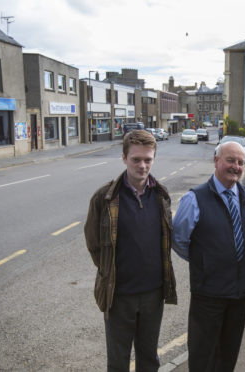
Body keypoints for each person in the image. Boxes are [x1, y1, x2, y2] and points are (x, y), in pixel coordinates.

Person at [84, 129, 177, 372]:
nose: (143, 165)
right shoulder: (103, 198)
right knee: (118, 363)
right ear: (124, 158)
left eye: (148, 159)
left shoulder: (161, 195)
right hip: (119, 296)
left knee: (149, 360)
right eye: (136, 159)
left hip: (153, 295)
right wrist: (112, 273)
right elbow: (94, 245)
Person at [173, 141, 245, 372]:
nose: (235, 166)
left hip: (240, 294)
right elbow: (179, 240)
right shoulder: (194, 199)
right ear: (216, 160)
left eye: (240, 162)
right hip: (208, 295)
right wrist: (205, 261)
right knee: (203, 358)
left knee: (228, 356)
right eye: (230, 160)